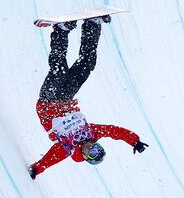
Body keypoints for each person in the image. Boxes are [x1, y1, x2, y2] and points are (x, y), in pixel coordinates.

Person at [28, 17, 148, 179]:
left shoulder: (67, 148)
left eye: (91, 152)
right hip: (66, 98)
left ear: (85, 157)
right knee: (86, 65)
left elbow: (49, 160)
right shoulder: (91, 133)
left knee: (59, 71)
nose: (91, 147)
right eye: (97, 147)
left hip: (47, 103)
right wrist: (134, 141)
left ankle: (61, 30)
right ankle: (92, 24)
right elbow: (114, 131)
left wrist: (36, 169)